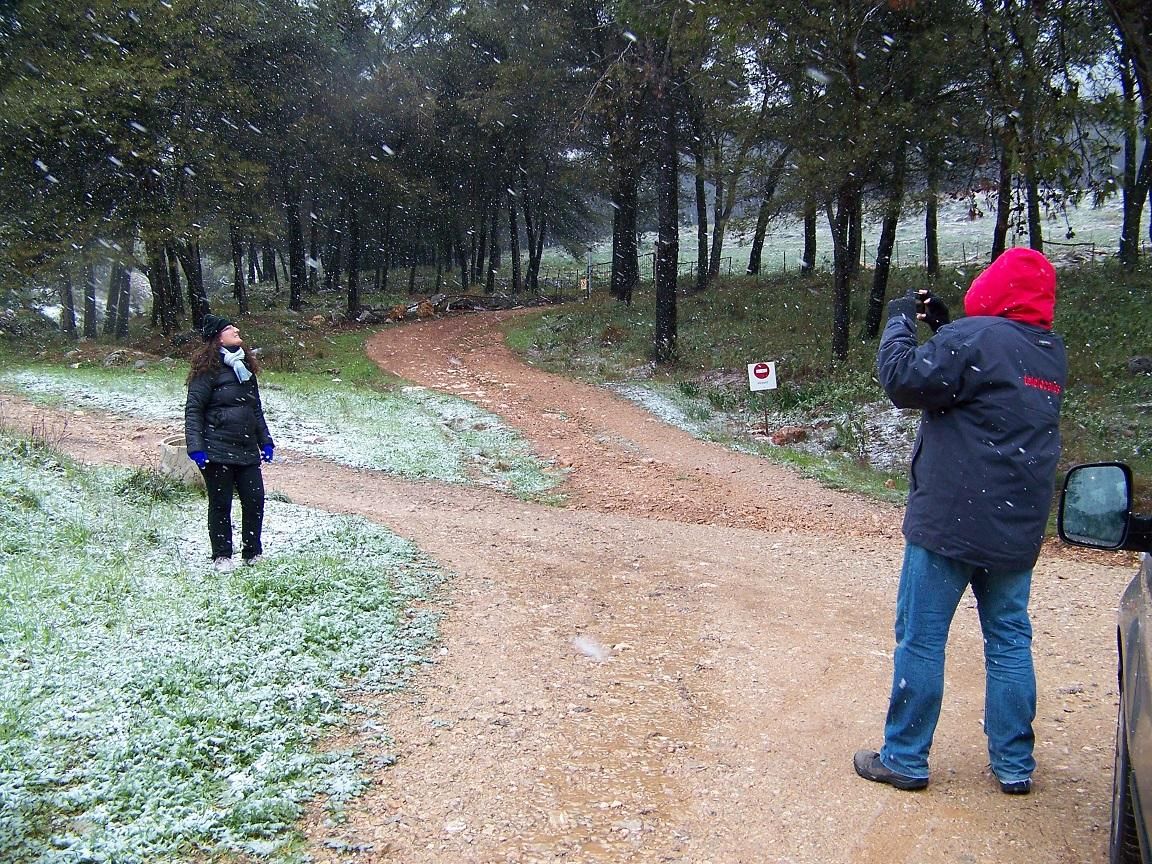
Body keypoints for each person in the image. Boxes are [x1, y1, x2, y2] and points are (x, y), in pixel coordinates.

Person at [854, 247, 1067, 796]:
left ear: (994, 291)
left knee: (922, 638)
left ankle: (904, 758)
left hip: (952, 519)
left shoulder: (977, 341)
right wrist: (950, 328)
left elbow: (904, 380)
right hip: (1016, 524)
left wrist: (901, 321)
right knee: (1009, 639)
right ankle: (1014, 765)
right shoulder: (1046, 352)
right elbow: (979, 383)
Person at [184, 313, 274, 572]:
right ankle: (222, 556)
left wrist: (265, 441)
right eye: (229, 327)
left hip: (246, 448)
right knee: (221, 504)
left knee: (255, 500)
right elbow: (193, 410)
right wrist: (196, 447)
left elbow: (255, 409)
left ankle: (252, 553)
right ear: (217, 337)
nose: (236, 329)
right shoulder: (207, 371)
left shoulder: (244, 368)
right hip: (217, 449)